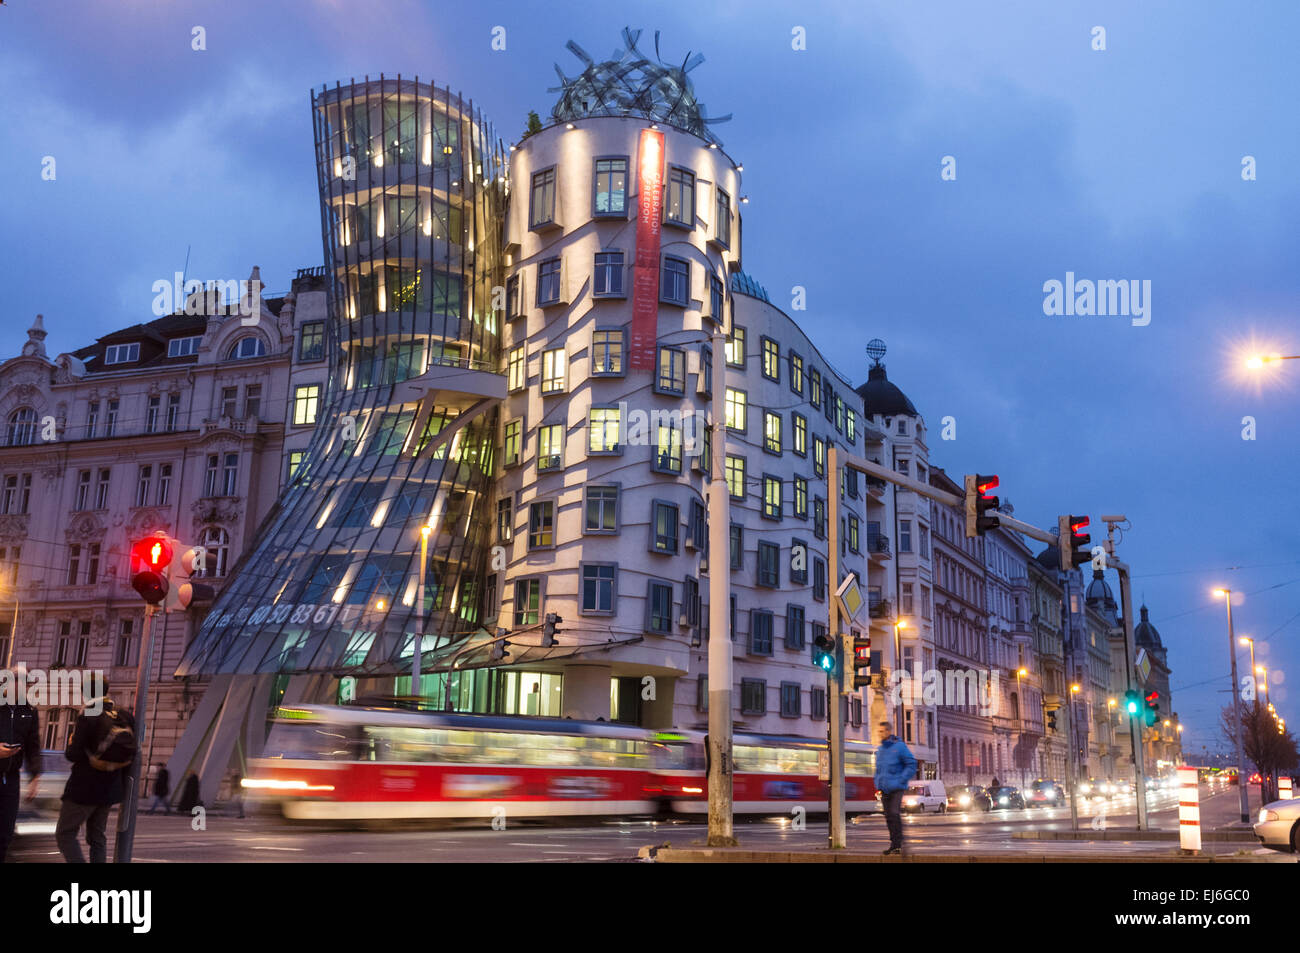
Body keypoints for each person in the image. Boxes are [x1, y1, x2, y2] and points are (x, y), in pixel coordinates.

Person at [57, 683, 136, 863]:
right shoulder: (124, 715)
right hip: (110, 789)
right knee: (97, 837)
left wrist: (71, 742)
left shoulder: (88, 714)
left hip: (84, 789)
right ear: (106, 691)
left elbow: (73, 754)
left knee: (65, 833)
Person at [0, 692, 42, 863]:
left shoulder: (30, 710)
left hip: (11, 778)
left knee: (5, 834)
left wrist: (35, 777)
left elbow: (33, 747)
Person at [873, 719, 918, 856]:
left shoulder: (899, 747)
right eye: (878, 732)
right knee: (888, 817)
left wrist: (901, 780)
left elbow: (911, 764)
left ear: (888, 731)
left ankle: (898, 843)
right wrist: (878, 782)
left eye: (882, 731)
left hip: (897, 787)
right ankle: (894, 844)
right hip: (884, 788)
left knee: (894, 813)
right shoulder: (880, 750)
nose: (880, 734)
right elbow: (878, 769)